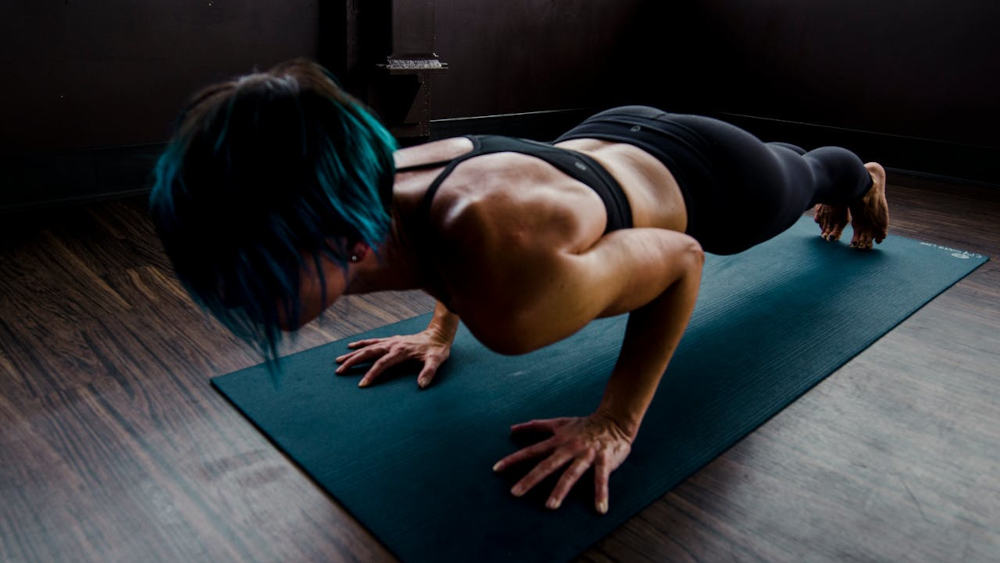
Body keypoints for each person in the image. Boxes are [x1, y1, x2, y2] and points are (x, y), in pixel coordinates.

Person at [149, 58, 889, 515]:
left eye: (256, 274)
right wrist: (438, 330)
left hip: (719, 182)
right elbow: (444, 238)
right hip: (610, 136)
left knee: (812, 173)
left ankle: (867, 178)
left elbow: (681, 260)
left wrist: (615, 421)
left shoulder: (509, 296)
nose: (233, 294)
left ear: (349, 243)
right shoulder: (374, 187)